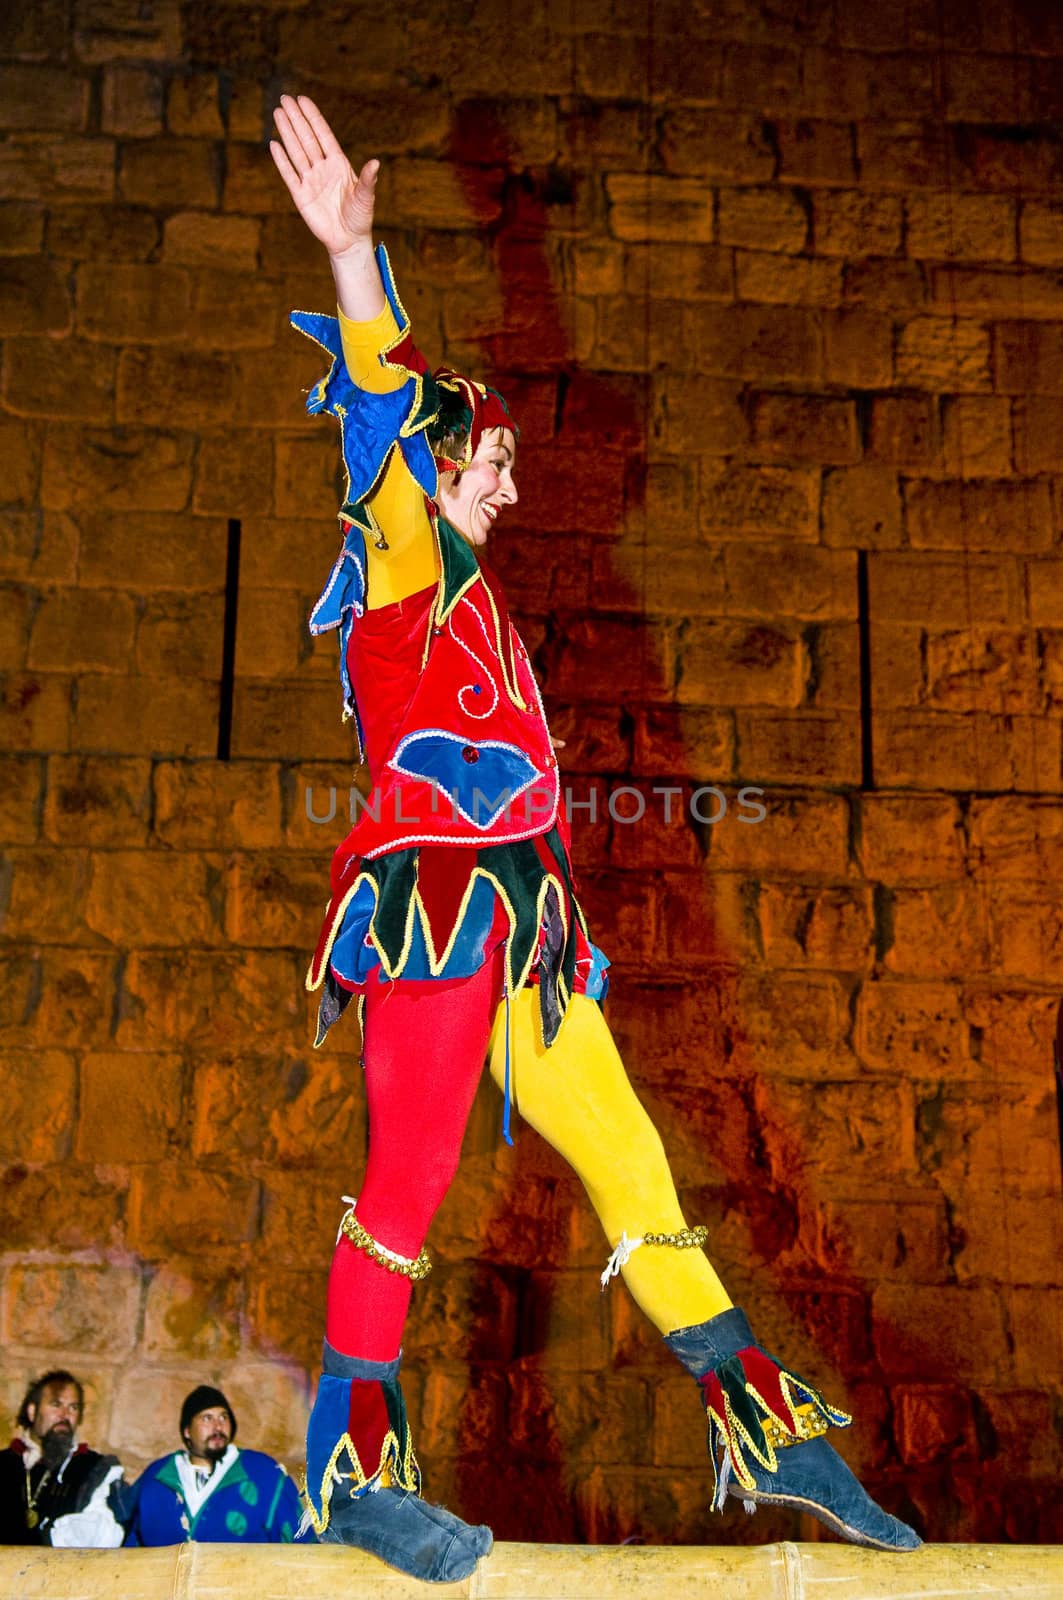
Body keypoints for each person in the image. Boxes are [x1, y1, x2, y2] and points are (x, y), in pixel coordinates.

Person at [269, 94, 922, 1580]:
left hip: (523, 930)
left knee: (632, 1164)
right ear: (426, 475)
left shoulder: (482, 599)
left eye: (498, 458)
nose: (500, 476)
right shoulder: (401, 557)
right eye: (478, 459)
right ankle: (349, 1462)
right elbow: (386, 402)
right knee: (411, 1181)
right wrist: (360, 266)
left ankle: (771, 1429)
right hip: (432, 911)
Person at [116, 1385, 303, 1546]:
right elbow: (131, 1545)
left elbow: (299, 1541)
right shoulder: (157, 1477)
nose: (218, 1426)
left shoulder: (264, 1473)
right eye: (207, 1418)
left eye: (223, 1417)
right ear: (187, 1431)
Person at [0, 1370, 124, 1547]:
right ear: (32, 1412)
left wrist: (48, 1536)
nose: (65, 1415)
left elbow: (105, 1535)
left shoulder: (95, 1469)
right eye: (56, 1404)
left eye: (73, 1407)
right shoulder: (4, 1464)